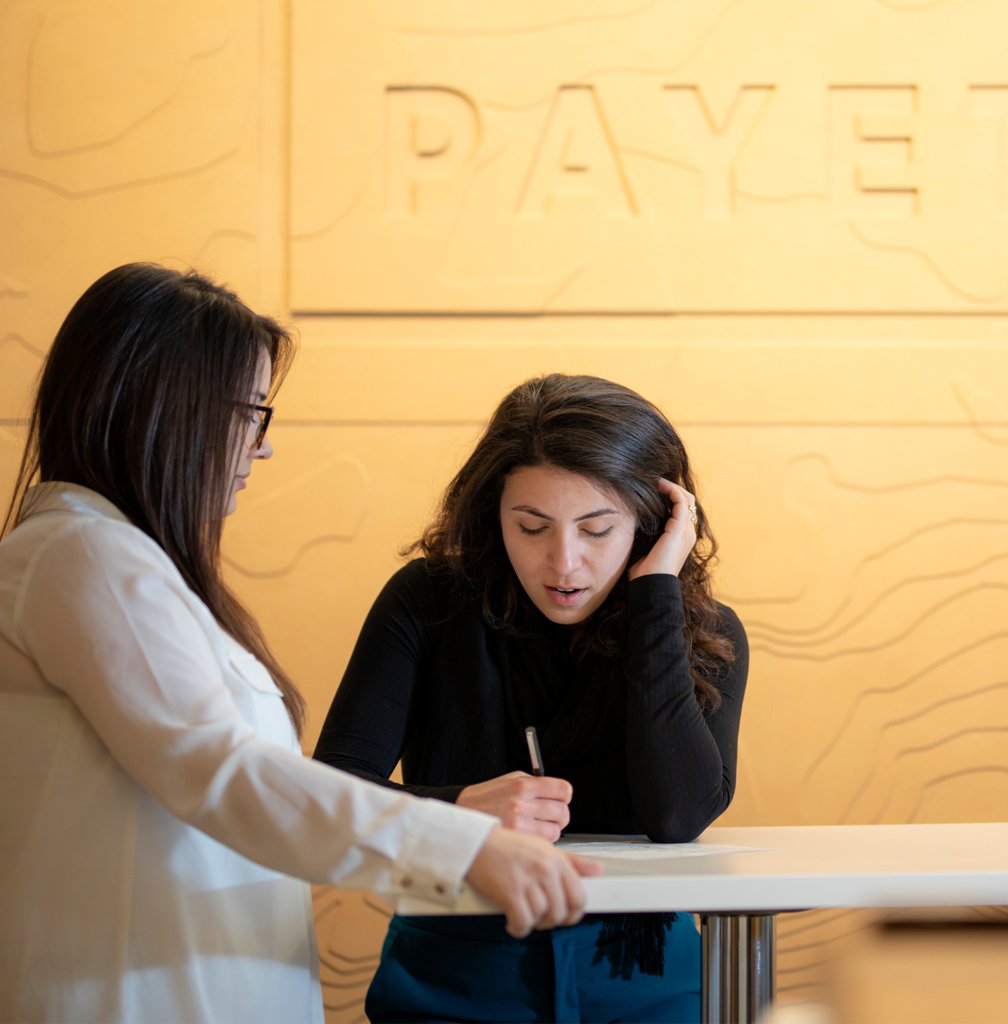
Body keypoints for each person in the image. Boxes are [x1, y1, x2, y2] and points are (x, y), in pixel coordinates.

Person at [0, 265, 600, 1024]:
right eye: (253, 413)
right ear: (168, 409)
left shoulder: (113, 561)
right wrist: (463, 845)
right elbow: (220, 771)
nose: (263, 448)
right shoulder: (83, 557)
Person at [314, 373, 750, 1024]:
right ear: (494, 516)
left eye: (597, 530)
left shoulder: (703, 631)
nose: (563, 563)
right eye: (532, 526)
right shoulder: (426, 602)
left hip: (647, 980)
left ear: (651, 524)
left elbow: (678, 816)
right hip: (453, 979)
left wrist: (656, 597)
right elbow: (330, 795)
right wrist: (459, 808)